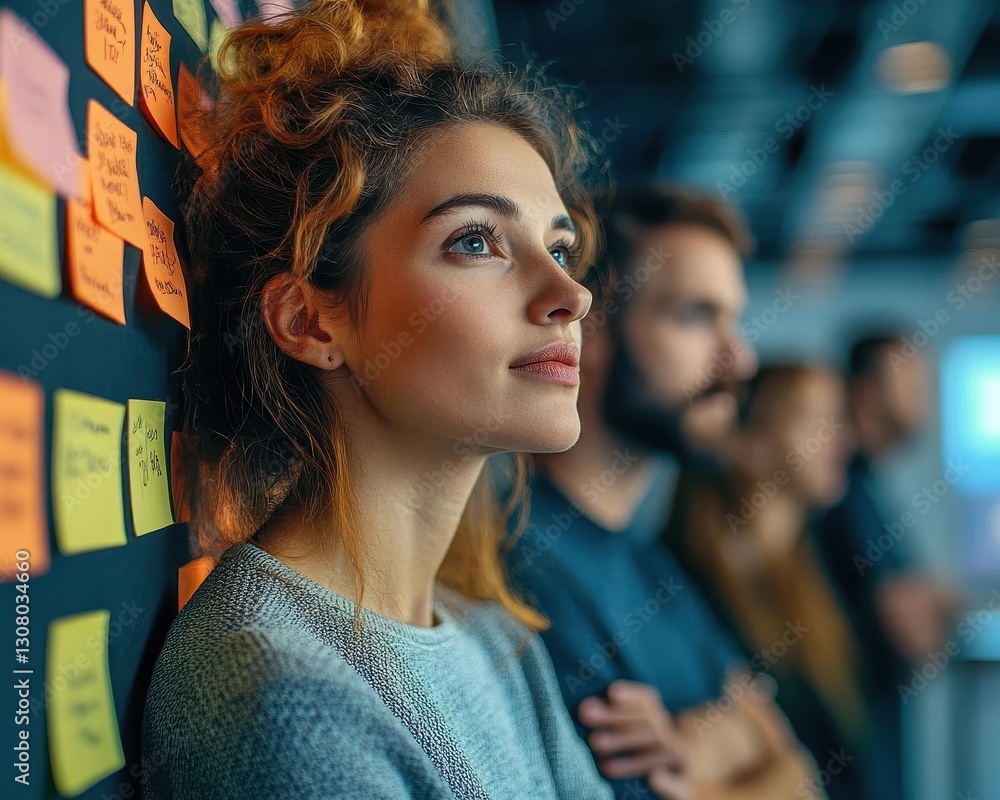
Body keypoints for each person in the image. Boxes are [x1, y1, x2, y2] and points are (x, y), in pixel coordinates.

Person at [140, 1, 681, 797]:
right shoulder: (282, 692)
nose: (571, 293)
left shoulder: (501, 644)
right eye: (475, 241)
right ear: (310, 319)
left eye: (560, 248)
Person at [505, 184, 822, 800]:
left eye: (734, 319)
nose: (740, 357)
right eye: (696, 316)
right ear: (591, 328)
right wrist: (737, 752)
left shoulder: (652, 562)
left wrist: (712, 766)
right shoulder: (522, 566)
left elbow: (799, 771)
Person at [668, 364, 875, 800]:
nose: (843, 438)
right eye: (814, 419)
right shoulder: (689, 580)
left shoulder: (818, 576)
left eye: (838, 418)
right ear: (750, 444)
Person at [812, 334, 960, 799]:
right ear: (867, 392)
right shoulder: (841, 491)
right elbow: (915, 637)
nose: (925, 398)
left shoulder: (867, 487)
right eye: (910, 380)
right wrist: (942, 602)